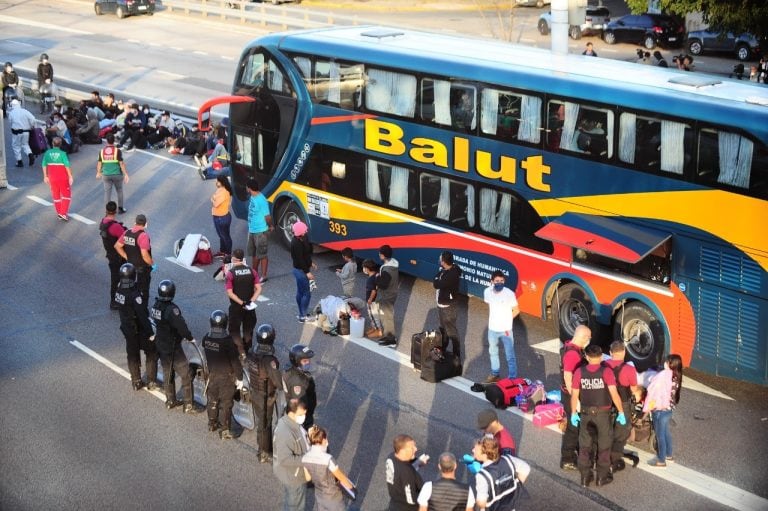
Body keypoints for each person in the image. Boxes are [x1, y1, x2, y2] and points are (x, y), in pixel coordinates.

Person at [570, 344, 627, 487]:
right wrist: (621, 412)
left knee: (584, 446)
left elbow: (574, 395)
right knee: (604, 446)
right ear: (601, 356)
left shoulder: (579, 372)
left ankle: (585, 477)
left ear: (587, 357)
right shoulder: (606, 372)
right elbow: (614, 394)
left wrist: (573, 413)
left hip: (585, 414)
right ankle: (602, 477)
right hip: (603, 415)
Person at [150, 279, 200, 414]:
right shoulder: (172, 309)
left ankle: (170, 400)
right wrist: (190, 337)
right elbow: (181, 327)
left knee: (168, 372)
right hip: (172, 346)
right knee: (186, 374)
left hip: (160, 343)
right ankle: (188, 404)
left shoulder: (156, 305)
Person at [114, 263, 158, 391]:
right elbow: (142, 315)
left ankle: (136, 381)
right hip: (138, 329)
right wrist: (151, 333)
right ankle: (151, 381)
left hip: (126, 327)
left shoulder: (119, 288)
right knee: (151, 352)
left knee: (132, 354)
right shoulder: (135, 295)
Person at [246, 323, 283, 463]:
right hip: (265, 396)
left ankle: (263, 447)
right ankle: (263, 452)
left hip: (254, 392)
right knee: (265, 424)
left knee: (262, 422)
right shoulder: (269, 360)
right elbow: (278, 382)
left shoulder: (251, 354)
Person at [202, 310, 241, 439]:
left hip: (212, 375)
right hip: (226, 378)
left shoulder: (206, 338)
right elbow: (235, 361)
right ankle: (225, 430)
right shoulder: (227, 341)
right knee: (226, 404)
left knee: (212, 400)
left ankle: (212, 423)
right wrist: (240, 378)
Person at [605, 341, 642, 472]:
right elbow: (633, 389)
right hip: (623, 403)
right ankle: (614, 460)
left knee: (606, 430)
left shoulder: (604, 365)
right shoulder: (629, 369)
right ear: (624, 353)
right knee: (622, 432)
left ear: (610, 353)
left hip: (606, 403)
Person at [302, 424, 357, 511]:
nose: (327, 441)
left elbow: (308, 478)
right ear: (322, 440)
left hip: (319, 495)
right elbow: (341, 478)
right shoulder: (328, 459)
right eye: (326, 439)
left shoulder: (305, 458)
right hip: (333, 498)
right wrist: (352, 489)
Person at [559, 324, 591, 471]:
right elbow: (567, 377)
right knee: (573, 428)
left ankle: (574, 452)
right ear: (583, 337)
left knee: (576, 426)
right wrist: (575, 400)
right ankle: (567, 459)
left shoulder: (570, 347)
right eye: (588, 338)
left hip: (570, 394)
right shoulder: (572, 354)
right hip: (570, 395)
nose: (589, 340)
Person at [643, 354, 684, 467]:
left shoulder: (663, 376)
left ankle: (661, 460)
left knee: (659, 434)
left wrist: (648, 406)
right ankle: (668, 455)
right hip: (668, 410)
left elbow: (654, 391)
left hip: (659, 410)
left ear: (671, 364)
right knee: (666, 432)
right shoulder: (676, 377)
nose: (665, 363)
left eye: (667, 361)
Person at [471, 436, 529, 511]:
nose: (473, 450)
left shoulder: (482, 475)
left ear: (484, 455)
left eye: (475, 449)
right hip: (510, 506)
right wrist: (516, 483)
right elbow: (526, 468)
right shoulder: (508, 459)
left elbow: (482, 502)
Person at [483, 270, 520, 382]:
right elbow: (490, 304)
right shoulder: (487, 292)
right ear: (492, 281)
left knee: (510, 355)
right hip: (492, 329)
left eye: (502, 281)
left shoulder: (509, 293)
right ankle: (495, 374)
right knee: (493, 352)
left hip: (506, 330)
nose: (499, 283)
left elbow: (516, 310)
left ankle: (512, 378)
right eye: (497, 281)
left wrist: (507, 321)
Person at [273, 398, 310, 511]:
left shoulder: (290, 422)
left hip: (292, 474)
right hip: (294, 476)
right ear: (291, 413)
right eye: (301, 414)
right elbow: (285, 459)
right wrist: (306, 459)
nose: (303, 417)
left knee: (291, 502)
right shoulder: (285, 433)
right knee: (295, 505)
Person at [225, 248, 262, 357]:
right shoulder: (252, 271)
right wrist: (250, 301)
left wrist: (242, 303)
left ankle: (240, 351)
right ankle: (247, 349)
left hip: (236, 307)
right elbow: (259, 289)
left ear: (233, 259)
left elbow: (230, 293)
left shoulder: (230, 274)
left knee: (234, 329)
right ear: (242, 258)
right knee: (248, 329)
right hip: (250, 307)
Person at [115, 214, 154, 302]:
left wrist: (126, 256)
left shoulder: (127, 233)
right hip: (142, 269)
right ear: (146, 224)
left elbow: (117, 246)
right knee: (142, 291)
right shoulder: (143, 236)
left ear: (135, 223)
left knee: (131, 289)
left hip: (130, 268)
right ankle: (141, 311)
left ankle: (132, 308)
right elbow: (144, 254)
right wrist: (152, 263)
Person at [385, 434, 429, 511]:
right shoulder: (407, 472)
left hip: (395, 503)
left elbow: (400, 467)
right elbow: (411, 499)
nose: (416, 449)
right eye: (412, 447)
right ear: (402, 450)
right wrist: (426, 495)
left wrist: (417, 462)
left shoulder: (391, 457)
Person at [433, 250, 462, 363]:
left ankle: (457, 356)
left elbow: (436, 283)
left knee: (451, 332)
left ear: (444, 262)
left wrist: (438, 275)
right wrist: (440, 274)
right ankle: (443, 349)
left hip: (447, 306)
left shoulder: (450, 275)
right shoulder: (452, 269)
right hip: (443, 305)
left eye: (441, 260)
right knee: (443, 329)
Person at [284, 344, 317, 429]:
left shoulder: (294, 371)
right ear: (297, 362)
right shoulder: (297, 383)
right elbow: (299, 407)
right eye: (305, 361)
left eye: (308, 360)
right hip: (303, 417)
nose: (308, 362)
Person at [100, 201, 127, 310]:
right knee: (121, 279)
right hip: (118, 257)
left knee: (115, 279)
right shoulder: (115, 227)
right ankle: (116, 301)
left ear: (106, 210)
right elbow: (124, 239)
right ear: (115, 211)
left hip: (110, 254)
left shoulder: (103, 222)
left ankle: (115, 300)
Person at [246, 178, 274, 282]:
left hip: (260, 232)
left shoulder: (261, 200)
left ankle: (264, 276)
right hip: (252, 230)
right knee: (254, 254)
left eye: (246, 187)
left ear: (249, 188)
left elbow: (267, 216)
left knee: (262, 254)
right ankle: (254, 273)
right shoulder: (253, 197)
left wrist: (270, 226)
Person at [41, 137, 73, 221]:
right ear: (61, 144)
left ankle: (59, 213)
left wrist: (45, 176)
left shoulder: (47, 153)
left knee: (56, 195)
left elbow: (44, 164)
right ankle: (63, 213)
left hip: (52, 178)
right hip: (63, 178)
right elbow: (67, 166)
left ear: (52, 143)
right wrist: (70, 176)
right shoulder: (63, 154)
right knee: (66, 195)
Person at [96, 133, 129, 214]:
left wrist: (98, 172)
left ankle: (108, 211)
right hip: (117, 174)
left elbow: (99, 163)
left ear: (106, 141)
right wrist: (126, 174)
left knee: (107, 193)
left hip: (106, 175)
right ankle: (120, 208)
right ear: (114, 141)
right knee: (119, 190)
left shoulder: (102, 152)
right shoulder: (117, 151)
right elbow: (121, 163)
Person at [290, 220, 317, 322]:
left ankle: (302, 313)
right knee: (306, 293)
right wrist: (307, 272)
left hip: (299, 270)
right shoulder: (296, 244)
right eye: (305, 231)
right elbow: (300, 259)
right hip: (300, 271)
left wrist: (310, 263)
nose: (306, 232)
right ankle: (303, 316)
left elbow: (306, 255)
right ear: (301, 233)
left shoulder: (302, 239)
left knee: (300, 292)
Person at [375, 245, 400, 347]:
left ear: (383, 255)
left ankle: (391, 340)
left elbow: (383, 285)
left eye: (380, 253)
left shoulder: (387, 270)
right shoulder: (394, 264)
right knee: (386, 316)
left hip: (387, 295)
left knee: (387, 317)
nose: (379, 254)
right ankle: (387, 335)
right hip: (392, 293)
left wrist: (377, 278)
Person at [7, 99, 36, 168]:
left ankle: (19, 162)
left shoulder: (11, 113)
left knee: (16, 146)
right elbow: (33, 119)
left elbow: (10, 122)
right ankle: (30, 154)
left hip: (16, 132)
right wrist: (32, 126)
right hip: (26, 131)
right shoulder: (25, 111)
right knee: (25, 144)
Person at [211, 175, 233, 258]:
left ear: (222, 182)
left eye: (217, 181)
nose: (216, 182)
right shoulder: (220, 190)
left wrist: (213, 199)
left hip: (221, 218)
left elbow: (215, 203)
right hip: (221, 216)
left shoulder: (223, 192)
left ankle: (228, 254)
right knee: (222, 235)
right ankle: (222, 251)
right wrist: (213, 198)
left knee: (225, 236)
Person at [362, 258, 382, 338]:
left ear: (367, 269)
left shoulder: (370, 280)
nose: (364, 269)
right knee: (372, 316)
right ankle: (374, 328)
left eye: (364, 268)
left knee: (374, 316)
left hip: (372, 301)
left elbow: (373, 291)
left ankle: (379, 331)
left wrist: (370, 299)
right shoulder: (376, 275)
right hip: (377, 300)